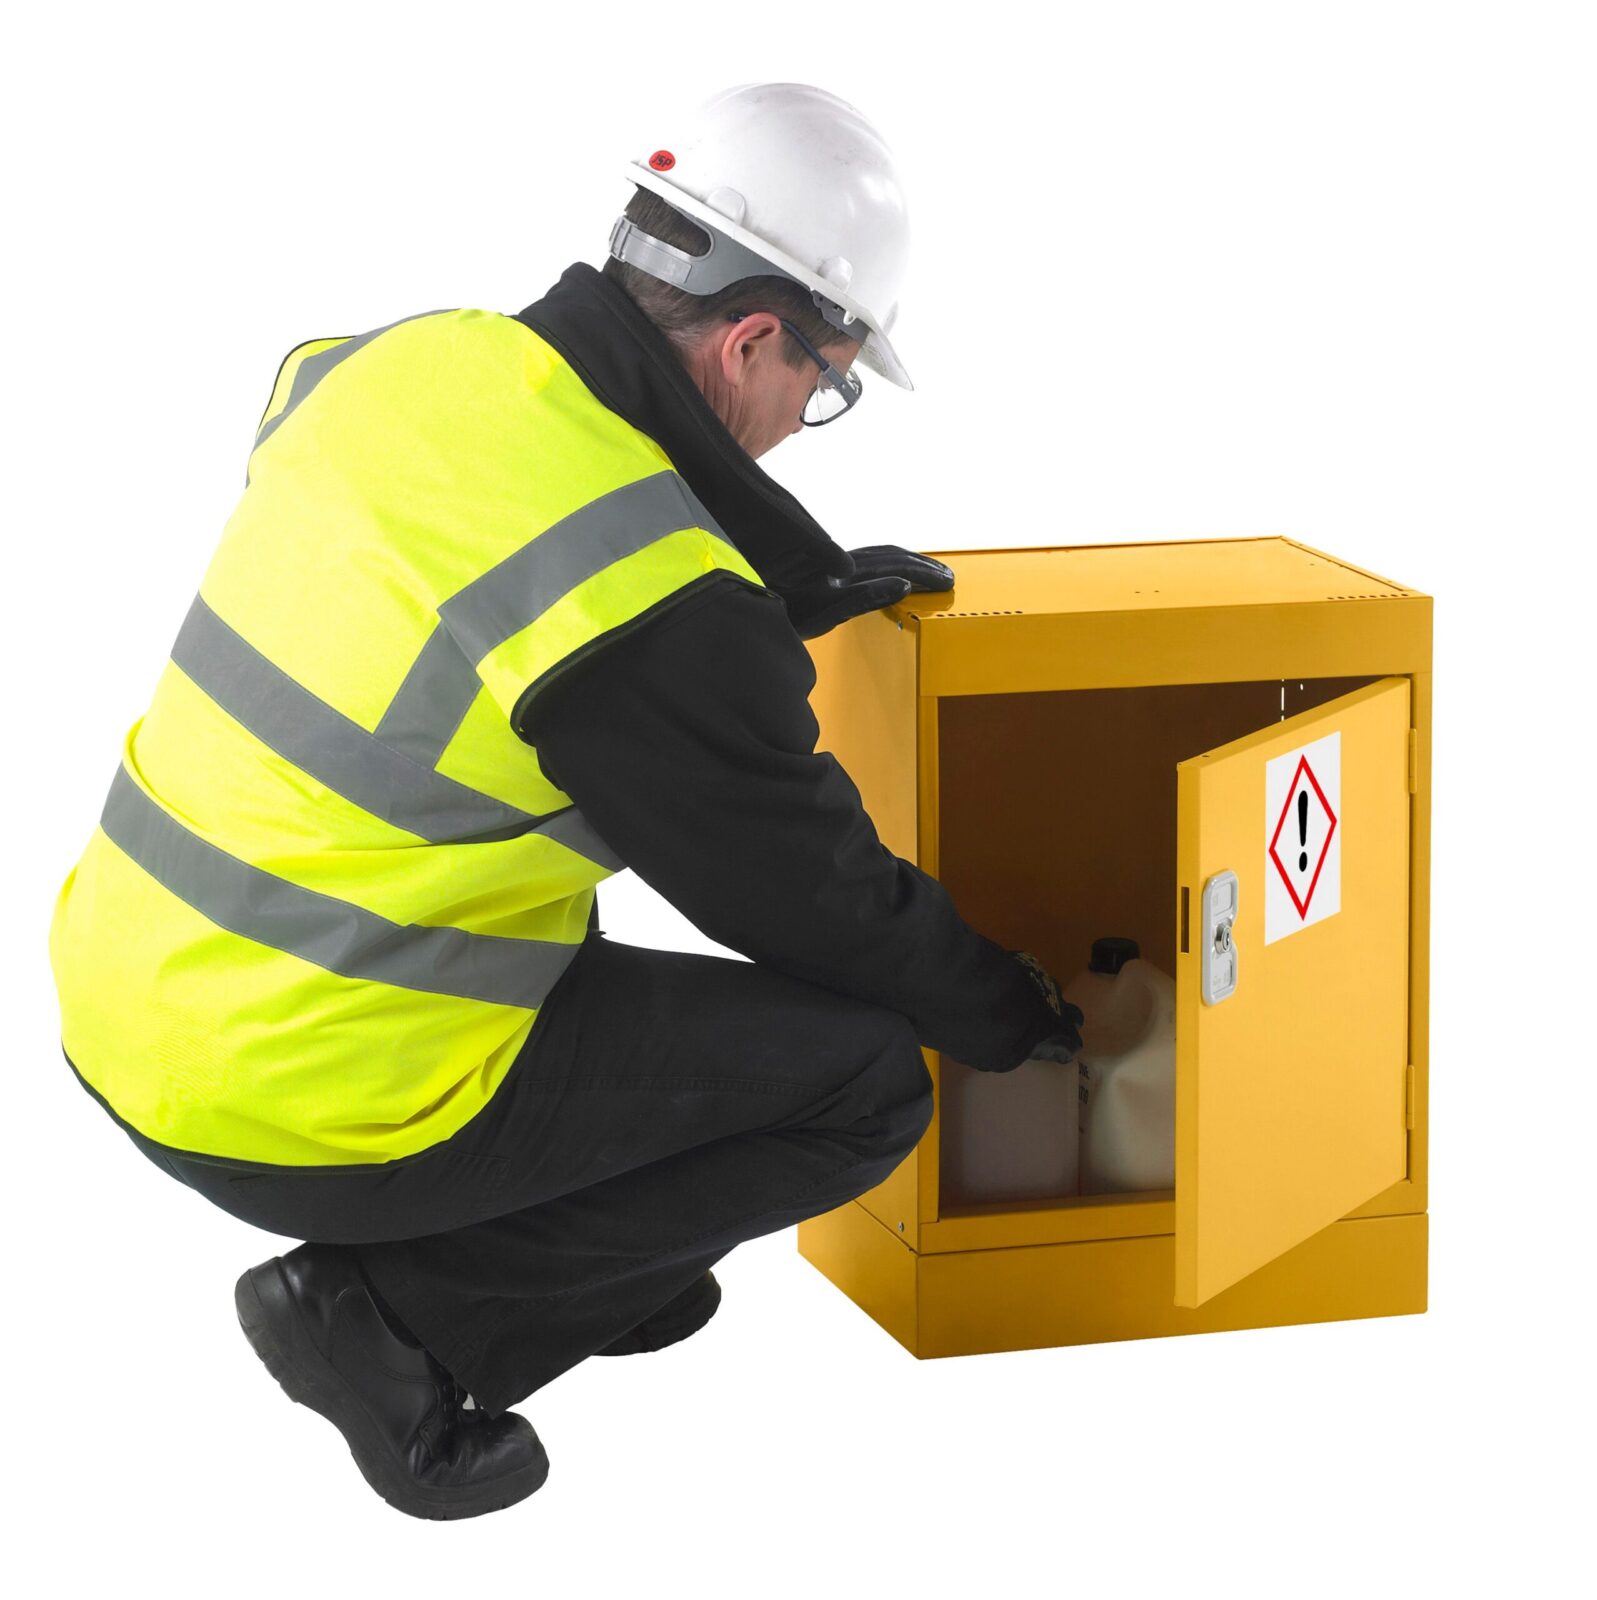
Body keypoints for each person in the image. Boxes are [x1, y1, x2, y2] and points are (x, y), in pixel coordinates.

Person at [48, 83, 1083, 1520]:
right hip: (295, 1089)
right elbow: (815, 905)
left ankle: (600, 1259)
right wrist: (1005, 1012)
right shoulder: (656, 620)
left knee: (551, 898)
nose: (806, 417)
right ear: (751, 338)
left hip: (134, 990)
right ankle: (400, 1321)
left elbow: (536, 516)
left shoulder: (397, 364)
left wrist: (786, 584)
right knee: (860, 1087)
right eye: (823, 387)